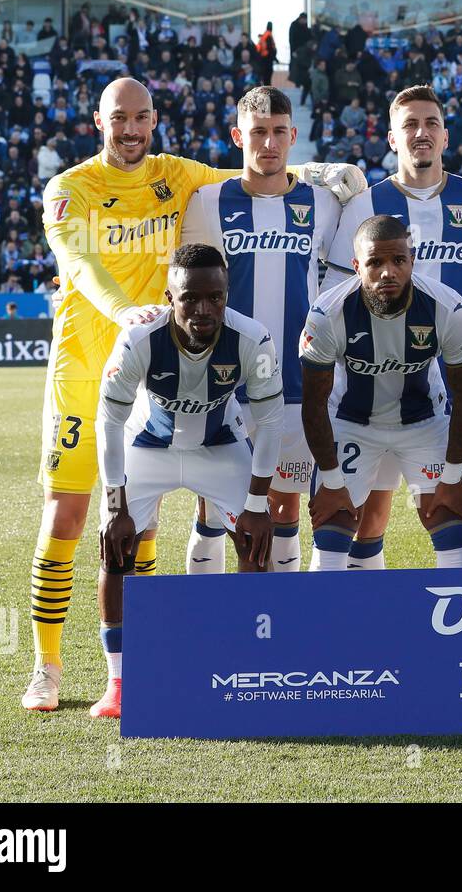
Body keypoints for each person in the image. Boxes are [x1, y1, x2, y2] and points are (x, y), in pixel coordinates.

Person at [20, 76, 365, 713]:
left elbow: (255, 172)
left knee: (138, 528)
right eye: (119, 118)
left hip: (158, 368)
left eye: (141, 118)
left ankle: (130, 669)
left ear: (154, 121)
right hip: (85, 365)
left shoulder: (177, 175)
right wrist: (126, 311)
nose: (130, 129)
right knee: (68, 518)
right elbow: (81, 267)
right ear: (100, 121)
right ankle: (47, 666)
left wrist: (319, 167)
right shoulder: (68, 189)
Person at [325, 85, 462, 571]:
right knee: (367, 514)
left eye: (431, 124)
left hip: (457, 383)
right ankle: (362, 630)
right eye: (410, 126)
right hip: (373, 386)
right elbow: (332, 291)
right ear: (394, 140)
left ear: (445, 136)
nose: (422, 133)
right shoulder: (364, 204)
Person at [93, 243, 284, 718]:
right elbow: (109, 422)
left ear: (226, 294)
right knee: (116, 548)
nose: (203, 309)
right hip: (147, 449)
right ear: (169, 296)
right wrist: (116, 507)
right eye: (189, 298)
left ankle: (247, 664)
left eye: (214, 297)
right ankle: (120, 680)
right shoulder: (139, 339)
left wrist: (258, 504)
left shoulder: (251, 338)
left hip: (218, 447)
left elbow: (272, 423)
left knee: (257, 541)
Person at [179, 85, 343, 573]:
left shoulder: (325, 204)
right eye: (257, 133)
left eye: (277, 133)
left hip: (296, 383)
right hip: (224, 384)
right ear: (237, 137)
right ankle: (208, 625)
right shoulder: (208, 202)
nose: (267, 144)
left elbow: (336, 284)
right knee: (213, 509)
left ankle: (280, 627)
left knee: (284, 507)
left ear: (292, 136)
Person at [299, 215, 462, 570]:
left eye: (398, 260)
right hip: (351, 423)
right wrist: (332, 480)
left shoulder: (448, 308)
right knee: (331, 536)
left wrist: (452, 475)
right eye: (375, 263)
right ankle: (322, 623)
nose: (388, 272)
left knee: (452, 530)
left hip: (424, 423)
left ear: (412, 261)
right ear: (356, 266)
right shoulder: (326, 315)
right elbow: (314, 406)